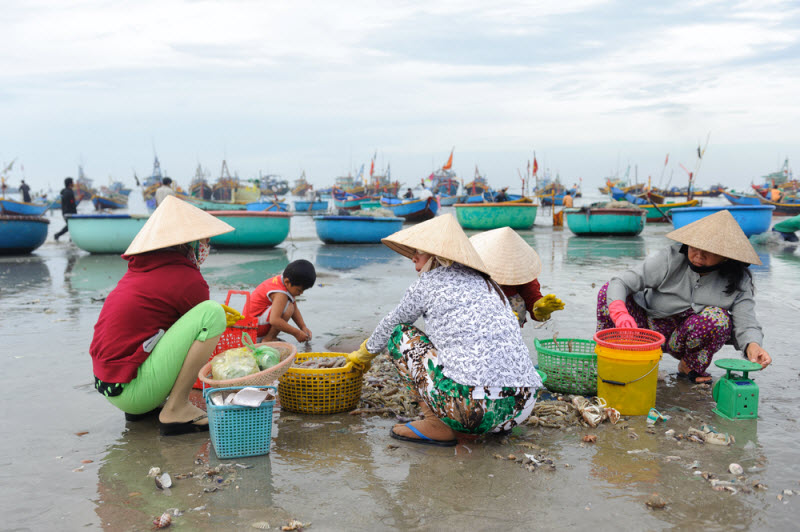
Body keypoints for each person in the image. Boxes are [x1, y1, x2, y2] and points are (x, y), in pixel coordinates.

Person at [346, 214, 542, 446]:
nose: (413, 257)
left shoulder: (428, 283)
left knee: (400, 334)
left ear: (438, 256)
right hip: (520, 409)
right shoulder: (490, 285)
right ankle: (485, 423)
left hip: (471, 411)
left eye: (419, 251)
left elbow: (391, 323)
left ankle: (437, 423)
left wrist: (364, 353)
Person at [90, 196, 234, 435]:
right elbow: (201, 331)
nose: (207, 245)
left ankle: (147, 407)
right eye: (204, 240)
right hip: (133, 389)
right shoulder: (186, 278)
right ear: (190, 243)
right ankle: (176, 409)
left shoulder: (141, 270)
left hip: (109, 385)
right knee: (212, 313)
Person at [596, 210, 772, 384]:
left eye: (709, 252)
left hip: (686, 337)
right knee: (607, 292)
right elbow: (621, 282)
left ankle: (689, 366)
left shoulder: (739, 280)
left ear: (726, 256)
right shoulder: (669, 258)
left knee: (718, 318)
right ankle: (614, 357)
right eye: (695, 247)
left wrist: (753, 345)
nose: (699, 256)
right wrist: (621, 315)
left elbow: (746, 321)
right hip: (644, 329)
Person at [469, 227, 564, 327]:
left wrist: (542, 311)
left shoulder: (522, 273)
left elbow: (533, 300)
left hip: (508, 334)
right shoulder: (468, 272)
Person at [244, 260, 315, 342]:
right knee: (288, 307)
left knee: (290, 305)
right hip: (252, 328)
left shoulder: (285, 282)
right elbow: (274, 320)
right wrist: (297, 333)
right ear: (287, 282)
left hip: (253, 325)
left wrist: (303, 327)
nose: (301, 293)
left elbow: (295, 308)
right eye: (299, 290)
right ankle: (269, 339)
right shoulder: (281, 293)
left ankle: (268, 337)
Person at [54, 177, 77, 241]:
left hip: (64, 212)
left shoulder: (64, 192)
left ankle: (71, 240)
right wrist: (75, 214)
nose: (74, 183)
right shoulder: (69, 192)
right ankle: (58, 235)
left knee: (70, 227)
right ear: (70, 184)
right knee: (71, 226)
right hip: (69, 213)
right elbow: (72, 204)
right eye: (73, 182)